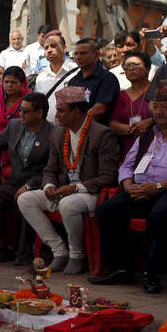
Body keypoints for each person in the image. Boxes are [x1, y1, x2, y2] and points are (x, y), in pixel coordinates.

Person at [90, 80, 167, 293]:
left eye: (166, 107)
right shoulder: (148, 133)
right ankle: (118, 269)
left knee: (161, 213)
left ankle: (151, 272)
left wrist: (157, 187)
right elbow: (127, 164)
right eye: (155, 106)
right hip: (140, 190)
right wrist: (128, 185)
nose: (159, 112)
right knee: (106, 210)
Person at [17, 86, 119, 274]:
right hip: (62, 190)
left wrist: (74, 188)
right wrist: (49, 185)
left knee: (68, 204)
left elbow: (108, 176)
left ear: (77, 111)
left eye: (62, 110)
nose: (57, 114)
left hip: (90, 192)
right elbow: (50, 168)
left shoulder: (101, 134)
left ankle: (77, 255)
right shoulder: (58, 133)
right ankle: (59, 251)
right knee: (25, 199)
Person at [0, 93, 53, 263]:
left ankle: (24, 254)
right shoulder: (15, 126)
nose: (20, 114)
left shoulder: (52, 133)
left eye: (25, 111)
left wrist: (30, 186)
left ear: (39, 113)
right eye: (20, 110)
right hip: (15, 181)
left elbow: (50, 169)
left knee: (25, 200)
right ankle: (0, 249)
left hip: (37, 185)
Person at [109, 51, 154, 161]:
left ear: (147, 68)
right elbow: (113, 124)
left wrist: (150, 122)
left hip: (153, 144)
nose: (131, 69)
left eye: (136, 65)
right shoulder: (121, 95)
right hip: (127, 147)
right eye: (127, 66)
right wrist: (132, 129)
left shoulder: (155, 91)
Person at [67, 38, 120, 123]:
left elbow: (100, 110)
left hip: (100, 132)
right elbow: (70, 109)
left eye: (83, 53)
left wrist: (78, 123)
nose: (78, 57)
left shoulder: (108, 78)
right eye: (76, 54)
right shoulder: (73, 81)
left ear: (96, 54)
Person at [35, 32, 77, 124]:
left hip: (71, 129)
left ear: (64, 48)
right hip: (47, 130)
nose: (49, 50)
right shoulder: (41, 78)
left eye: (53, 46)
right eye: (46, 48)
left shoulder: (76, 72)